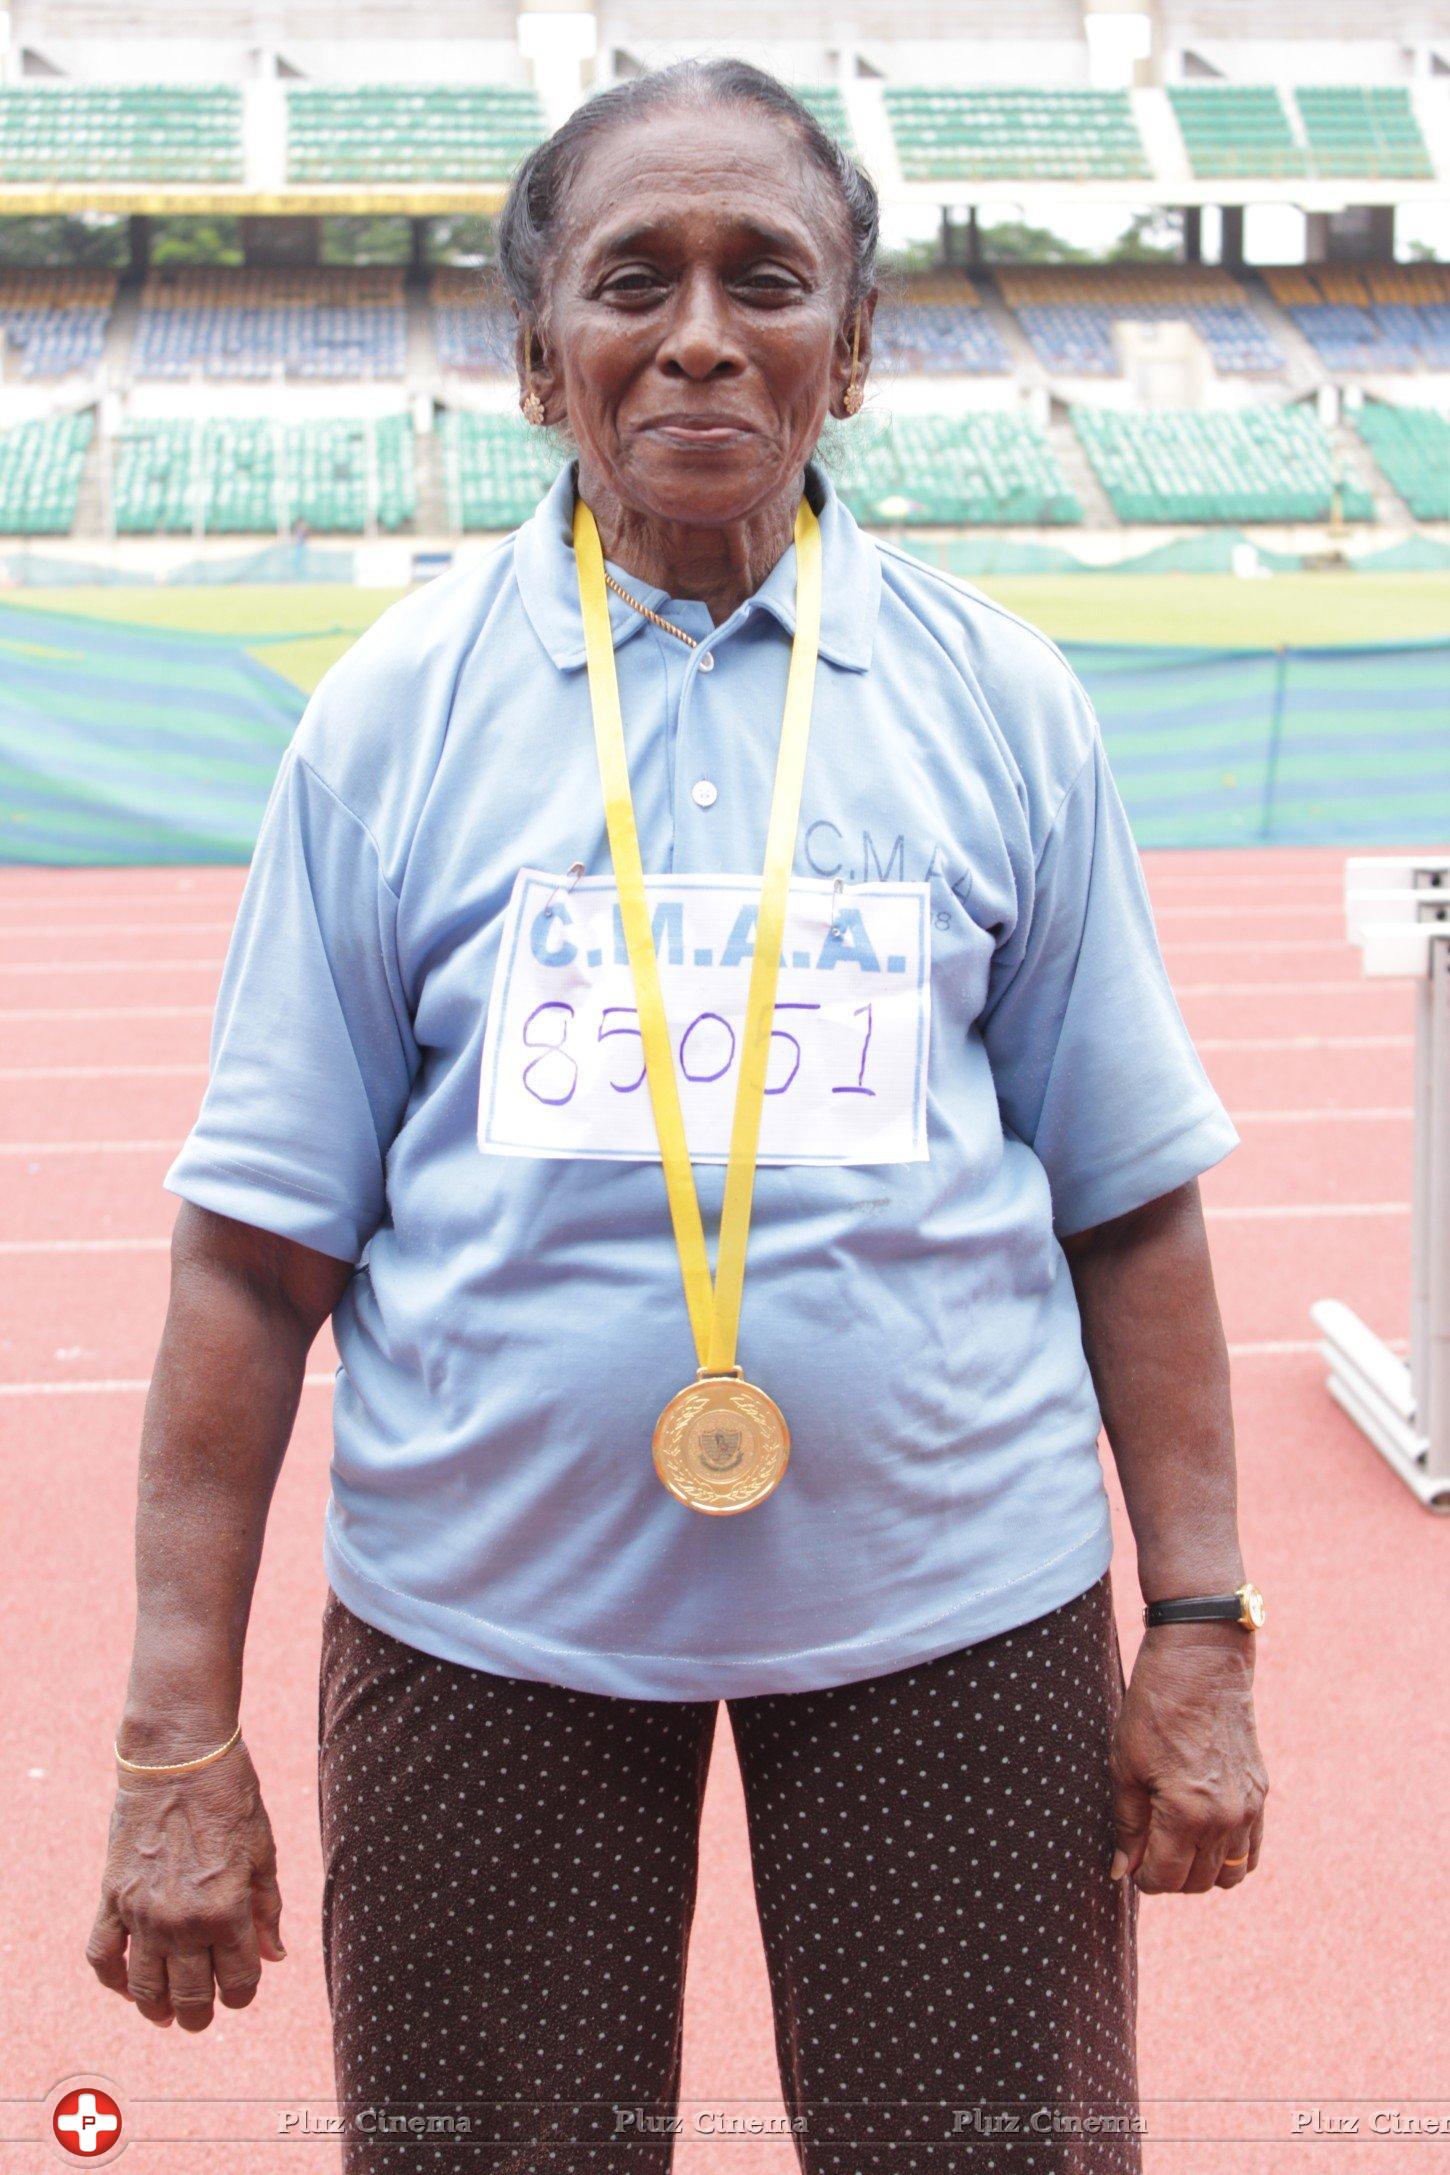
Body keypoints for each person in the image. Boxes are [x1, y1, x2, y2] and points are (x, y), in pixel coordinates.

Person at [87, 59, 1269, 2175]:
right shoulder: (391, 718)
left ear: (857, 344)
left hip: (952, 1620)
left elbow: (1126, 1204)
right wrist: (175, 1727)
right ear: (542, 354)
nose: (704, 330)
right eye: (636, 277)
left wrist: (1196, 1626)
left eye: (768, 277)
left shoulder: (998, 699)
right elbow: (253, 1259)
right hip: (485, 1623)